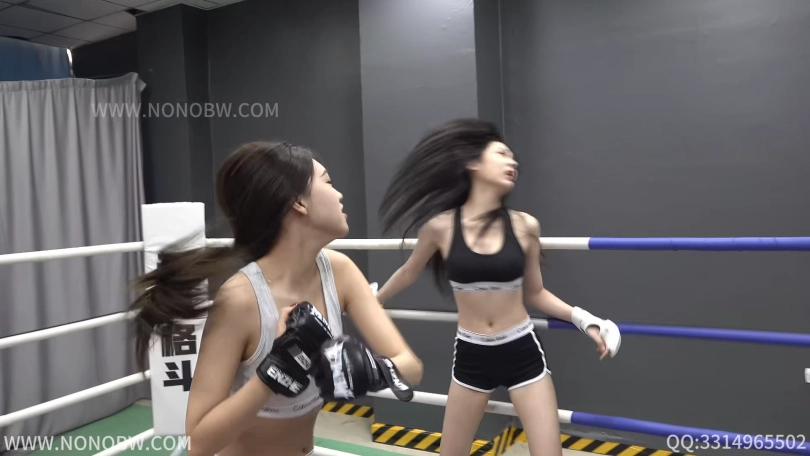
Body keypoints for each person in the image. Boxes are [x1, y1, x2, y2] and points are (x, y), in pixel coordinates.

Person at [130, 141, 423, 456]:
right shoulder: (241, 299)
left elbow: (411, 367)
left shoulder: (340, 272)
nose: (339, 194)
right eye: (327, 182)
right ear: (298, 202)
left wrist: (373, 369)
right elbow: (199, 442)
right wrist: (275, 372)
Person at [375, 119, 620, 456]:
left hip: (521, 351)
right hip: (472, 355)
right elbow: (408, 272)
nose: (513, 161)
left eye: (513, 157)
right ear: (473, 163)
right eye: (502, 154)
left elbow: (536, 293)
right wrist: (372, 300)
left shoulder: (525, 225)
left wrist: (587, 321)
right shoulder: (440, 227)